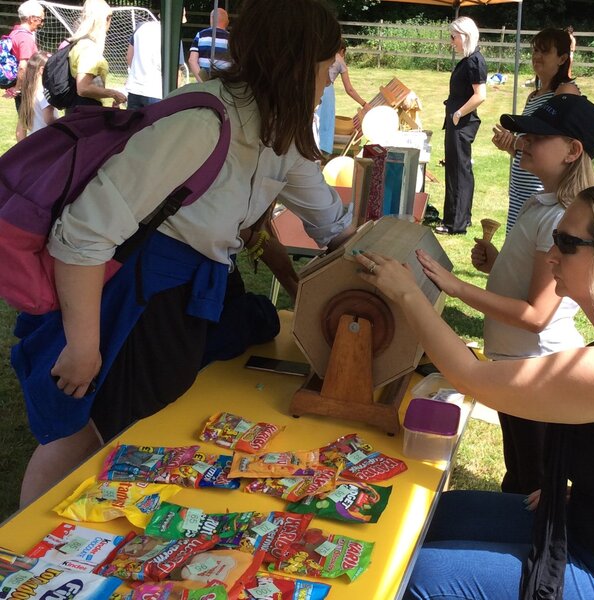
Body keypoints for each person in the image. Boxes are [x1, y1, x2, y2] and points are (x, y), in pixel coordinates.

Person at [13, 0, 356, 507]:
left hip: (184, 297)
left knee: (141, 431)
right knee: (86, 431)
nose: (332, 80)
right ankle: (27, 555)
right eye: (329, 66)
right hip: (137, 298)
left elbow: (333, 226)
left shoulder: (280, 131)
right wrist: (83, 345)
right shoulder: (202, 121)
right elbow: (83, 234)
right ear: (297, 60)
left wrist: (389, 257)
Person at [354, 182, 594, 599]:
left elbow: (472, 378)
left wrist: (407, 293)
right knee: (426, 516)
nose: (550, 255)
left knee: (413, 576)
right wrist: (593, 493)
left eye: (566, 242)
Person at [420, 94, 594, 494]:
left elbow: (537, 314)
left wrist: (457, 288)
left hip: (537, 368)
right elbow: (537, 280)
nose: (523, 141)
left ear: (573, 150)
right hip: (521, 364)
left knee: (532, 482)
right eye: (525, 134)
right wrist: (498, 264)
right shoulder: (542, 204)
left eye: (537, 136)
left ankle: (530, 554)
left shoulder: (561, 216)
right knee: (520, 470)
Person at [493, 28, 580, 234]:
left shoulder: (565, 91)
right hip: (521, 188)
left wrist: (516, 142)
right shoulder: (533, 96)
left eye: (544, 52)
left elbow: (560, 146)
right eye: (534, 51)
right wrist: (509, 145)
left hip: (542, 189)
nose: (536, 57)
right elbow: (528, 148)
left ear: (562, 58)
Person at [437, 16, 486, 236]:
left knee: (458, 172)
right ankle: (459, 218)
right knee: (458, 170)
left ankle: (455, 224)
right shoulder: (468, 60)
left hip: (462, 123)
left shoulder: (474, 61)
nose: (451, 41)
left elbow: (480, 95)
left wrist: (458, 113)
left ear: (464, 36)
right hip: (457, 123)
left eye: (453, 37)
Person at [65, 0, 127, 109]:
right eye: (109, 17)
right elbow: (83, 88)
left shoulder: (80, 43)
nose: (110, 22)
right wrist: (113, 93)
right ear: (104, 19)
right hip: (85, 110)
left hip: (78, 108)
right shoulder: (89, 48)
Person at [124, 1, 186, 108]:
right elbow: (176, 71)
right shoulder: (173, 36)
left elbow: (129, 57)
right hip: (158, 92)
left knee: (133, 124)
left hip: (135, 89)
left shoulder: (140, 28)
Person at [315, 42, 368, 155]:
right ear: (342, 50)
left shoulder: (320, 54)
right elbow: (349, 89)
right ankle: (323, 150)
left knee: (316, 120)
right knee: (326, 123)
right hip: (327, 91)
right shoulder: (340, 60)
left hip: (315, 88)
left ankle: (313, 147)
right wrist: (364, 104)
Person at [5, 0, 45, 141]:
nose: (41, 23)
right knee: (25, 123)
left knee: (23, 122)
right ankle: (23, 155)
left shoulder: (15, 32)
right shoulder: (25, 37)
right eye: (40, 19)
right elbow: (23, 65)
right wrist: (18, 88)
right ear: (31, 18)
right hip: (25, 87)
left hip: (21, 86)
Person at [17, 51, 58, 136]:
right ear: (42, 70)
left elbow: (19, 132)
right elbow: (49, 119)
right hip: (46, 141)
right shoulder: (45, 92)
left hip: (33, 142)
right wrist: (64, 122)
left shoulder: (29, 93)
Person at [188, 8, 230, 83]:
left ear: (211, 19)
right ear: (227, 22)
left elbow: (192, 60)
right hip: (224, 83)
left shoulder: (201, 35)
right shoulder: (231, 39)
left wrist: (203, 82)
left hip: (204, 83)